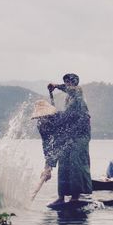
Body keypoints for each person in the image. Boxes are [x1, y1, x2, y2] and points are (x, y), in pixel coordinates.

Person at [36, 73, 92, 206]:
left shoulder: (78, 93)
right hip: (70, 134)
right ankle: (61, 197)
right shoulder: (67, 100)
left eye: (69, 82)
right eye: (66, 81)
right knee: (63, 163)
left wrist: (56, 86)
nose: (68, 84)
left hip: (81, 135)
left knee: (75, 162)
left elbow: (73, 91)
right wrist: (47, 166)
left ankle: (75, 197)